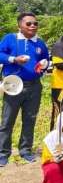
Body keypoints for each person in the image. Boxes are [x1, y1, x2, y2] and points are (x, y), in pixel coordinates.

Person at [0, 12, 50, 165]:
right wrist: (14, 59)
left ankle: (25, 151)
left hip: (34, 86)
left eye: (35, 23)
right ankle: (3, 153)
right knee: (7, 120)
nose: (33, 26)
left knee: (30, 120)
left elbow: (46, 60)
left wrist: (43, 65)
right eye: (28, 23)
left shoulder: (40, 43)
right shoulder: (10, 38)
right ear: (19, 25)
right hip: (13, 85)